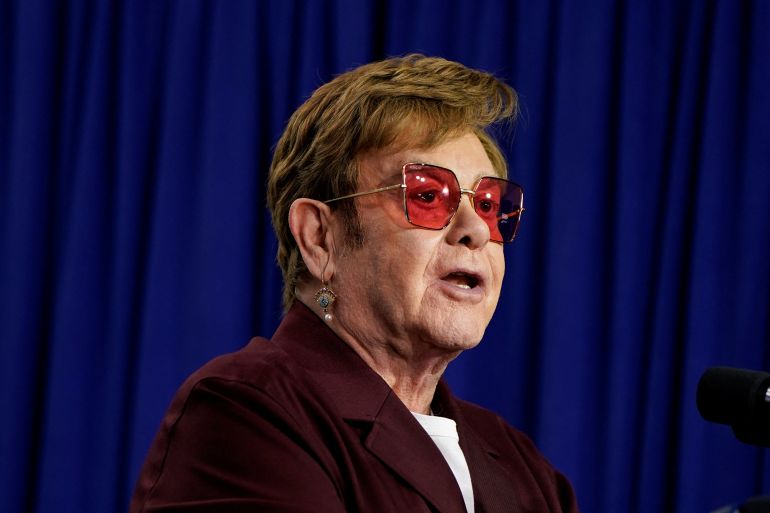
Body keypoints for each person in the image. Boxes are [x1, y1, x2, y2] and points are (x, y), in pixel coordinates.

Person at [130, 54, 579, 513]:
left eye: (487, 204)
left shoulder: (518, 463)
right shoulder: (246, 413)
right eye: (427, 196)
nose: (477, 230)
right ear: (320, 237)